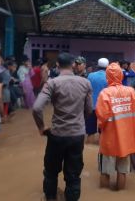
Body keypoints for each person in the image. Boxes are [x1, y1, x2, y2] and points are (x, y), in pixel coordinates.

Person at [33, 53, 93, 201]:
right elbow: (89, 109)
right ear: (73, 65)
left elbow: (37, 108)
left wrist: (41, 127)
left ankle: (51, 198)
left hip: (57, 134)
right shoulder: (85, 83)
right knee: (73, 175)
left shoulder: (52, 83)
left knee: (51, 172)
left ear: (58, 66)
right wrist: (80, 122)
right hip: (77, 135)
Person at [96, 62, 135, 190]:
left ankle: (104, 196)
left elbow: (101, 116)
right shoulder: (131, 91)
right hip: (126, 139)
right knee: (122, 171)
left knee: (105, 170)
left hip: (109, 139)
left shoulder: (105, 93)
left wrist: (100, 128)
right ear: (121, 75)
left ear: (107, 76)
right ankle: (120, 194)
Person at [86, 58, 109, 143]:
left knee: (90, 129)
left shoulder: (90, 75)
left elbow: (87, 89)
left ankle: (89, 144)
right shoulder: (108, 77)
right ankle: (100, 144)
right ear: (107, 67)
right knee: (102, 129)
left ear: (98, 66)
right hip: (104, 107)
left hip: (91, 105)